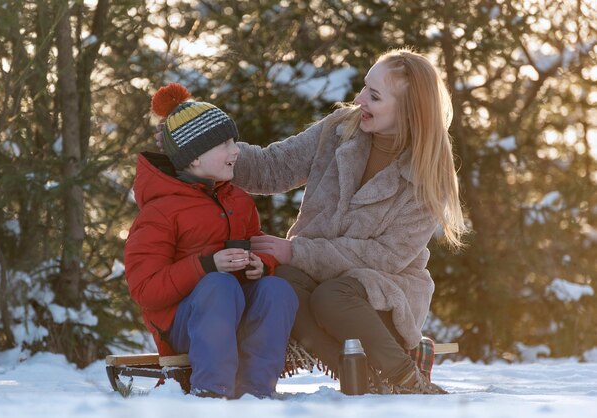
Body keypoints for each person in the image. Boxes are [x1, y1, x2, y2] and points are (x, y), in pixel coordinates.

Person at [225, 48, 467, 394]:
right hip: (314, 279)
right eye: (364, 88)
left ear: (408, 111)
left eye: (374, 95)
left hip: (380, 293)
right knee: (280, 282)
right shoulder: (340, 130)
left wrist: (298, 252)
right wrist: (218, 149)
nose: (359, 98)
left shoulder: (426, 175)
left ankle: (405, 378)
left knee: (332, 296)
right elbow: (272, 167)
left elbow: (385, 256)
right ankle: (363, 381)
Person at [124, 83, 298, 399]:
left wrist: (261, 265)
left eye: (233, 141)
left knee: (277, 290)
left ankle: (257, 391)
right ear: (193, 159)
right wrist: (206, 266)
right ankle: (211, 391)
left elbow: (255, 244)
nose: (236, 150)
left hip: (233, 313)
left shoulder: (239, 201)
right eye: (224, 144)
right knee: (220, 285)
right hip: (184, 326)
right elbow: (145, 290)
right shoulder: (161, 211)